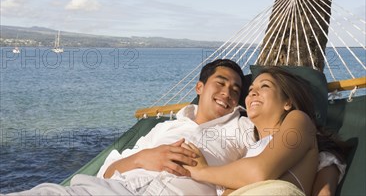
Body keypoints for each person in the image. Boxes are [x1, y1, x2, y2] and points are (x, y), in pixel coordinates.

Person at [2, 60, 344, 196]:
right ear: (200, 87)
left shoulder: (245, 130)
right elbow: (110, 170)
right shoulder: (161, 127)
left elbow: (288, 161)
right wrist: (144, 157)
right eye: (220, 83)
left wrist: (200, 171)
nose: (231, 92)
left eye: (239, 90)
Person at [183, 67, 344, 196]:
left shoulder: (299, 119)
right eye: (250, 90)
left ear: (287, 101)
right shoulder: (249, 150)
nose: (252, 92)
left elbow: (259, 172)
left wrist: (202, 171)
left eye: (265, 86)